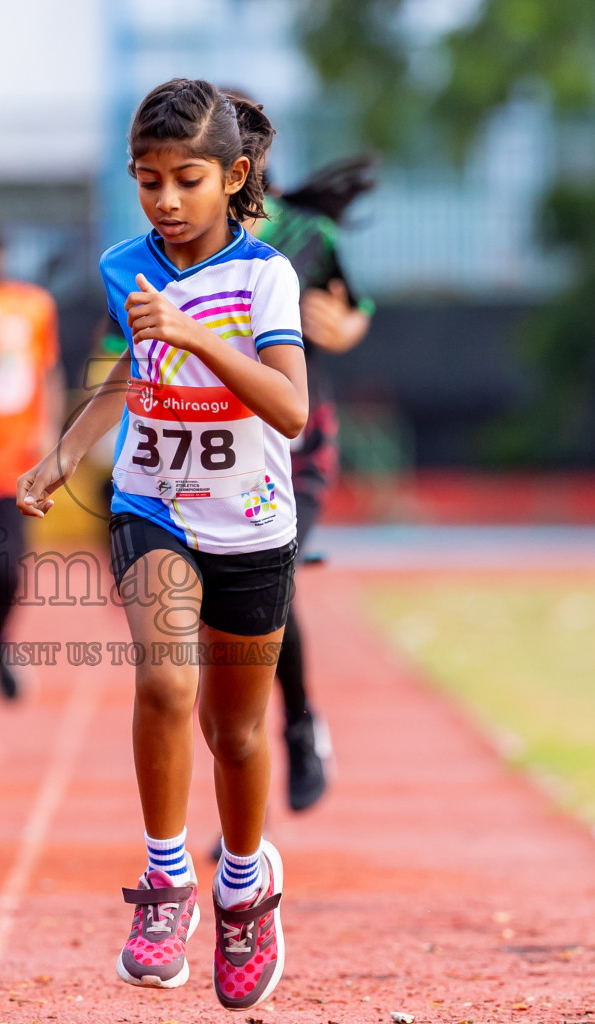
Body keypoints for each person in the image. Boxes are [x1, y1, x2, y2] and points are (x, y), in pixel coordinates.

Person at [17, 79, 307, 1011]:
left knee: (234, 731)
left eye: (187, 179)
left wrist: (195, 333)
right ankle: (165, 879)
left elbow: (290, 409)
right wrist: (63, 456)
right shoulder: (122, 265)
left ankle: (244, 886)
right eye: (148, 181)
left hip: (253, 521)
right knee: (163, 680)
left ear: (234, 177)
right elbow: (129, 378)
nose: (167, 201)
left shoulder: (267, 275)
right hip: (153, 506)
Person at [245, 152, 377, 812]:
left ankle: (297, 726)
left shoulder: (306, 237)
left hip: (294, 449)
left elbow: (352, 310)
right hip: (209, 453)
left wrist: (346, 327)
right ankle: (236, 787)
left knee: (270, 583)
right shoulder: (173, 243)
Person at [0, 222, 64, 700]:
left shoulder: (33, 305)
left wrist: (48, 431)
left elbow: (46, 369)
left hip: (14, 464)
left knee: (7, 569)